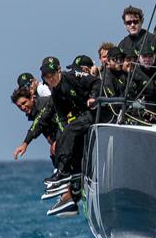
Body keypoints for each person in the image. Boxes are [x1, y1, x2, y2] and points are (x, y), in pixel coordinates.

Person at [39, 56, 100, 216]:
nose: (50, 79)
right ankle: (66, 183)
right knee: (64, 135)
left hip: (93, 113)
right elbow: (62, 116)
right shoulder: (56, 92)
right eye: (47, 77)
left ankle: (63, 173)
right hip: (80, 119)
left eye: (52, 75)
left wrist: (93, 96)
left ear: (59, 71)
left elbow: (96, 82)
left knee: (70, 130)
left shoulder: (72, 76)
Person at [11, 86, 63, 166]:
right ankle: (60, 171)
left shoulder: (43, 104)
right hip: (60, 132)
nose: (23, 107)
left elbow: (39, 123)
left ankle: (65, 172)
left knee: (56, 147)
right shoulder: (33, 112)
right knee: (53, 150)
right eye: (19, 106)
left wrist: (25, 143)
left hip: (70, 125)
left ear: (31, 98)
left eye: (24, 103)